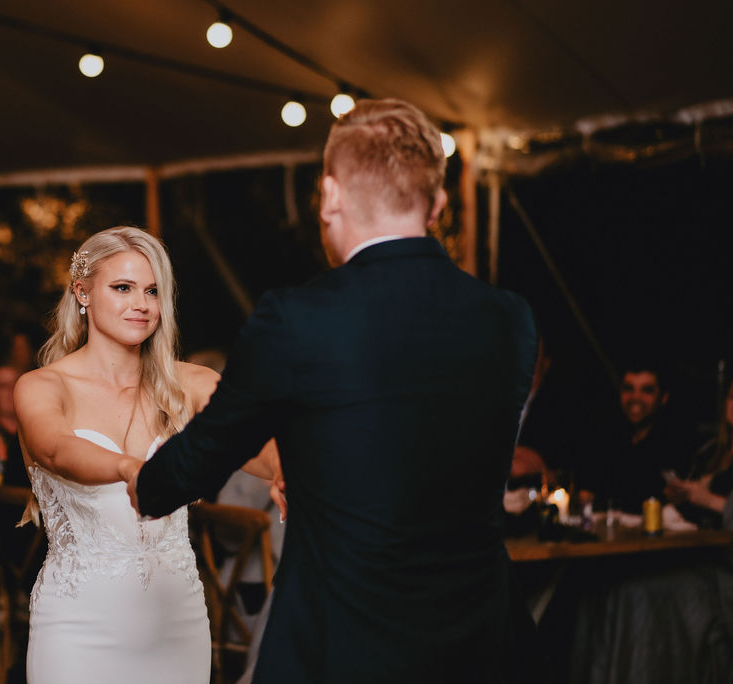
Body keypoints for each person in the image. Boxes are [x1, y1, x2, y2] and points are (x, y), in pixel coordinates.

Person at [127, 99, 538, 683]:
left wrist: (141, 477)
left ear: (329, 196)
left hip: (341, 649)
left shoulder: (297, 319)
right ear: (440, 203)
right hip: (483, 647)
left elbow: (189, 469)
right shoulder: (512, 320)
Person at [14, 226, 280, 684]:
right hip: (78, 628)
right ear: (82, 291)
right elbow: (55, 449)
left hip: (176, 625)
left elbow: (253, 433)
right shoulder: (42, 386)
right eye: (123, 288)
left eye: (152, 291)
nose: (142, 304)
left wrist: (284, 471)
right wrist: (131, 469)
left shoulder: (188, 383)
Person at [577, 361, 695, 513]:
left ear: (663, 397)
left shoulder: (677, 443)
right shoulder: (606, 437)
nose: (635, 397)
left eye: (646, 390)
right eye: (628, 389)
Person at [666, 375, 733, 523]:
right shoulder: (711, 449)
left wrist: (708, 500)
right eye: (732, 397)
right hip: (701, 537)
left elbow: (710, 499)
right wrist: (684, 493)